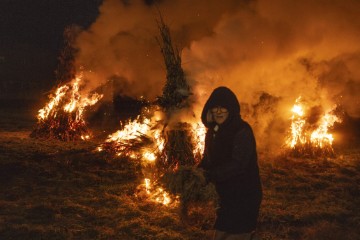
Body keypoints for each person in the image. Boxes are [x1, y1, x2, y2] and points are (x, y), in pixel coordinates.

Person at [198, 86, 262, 240]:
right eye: (215, 107)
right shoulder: (213, 132)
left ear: (231, 110)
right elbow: (208, 160)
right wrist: (196, 172)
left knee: (238, 234)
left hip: (244, 194)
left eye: (223, 107)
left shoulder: (242, 131)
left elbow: (239, 164)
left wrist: (211, 175)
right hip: (226, 195)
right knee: (221, 233)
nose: (218, 111)